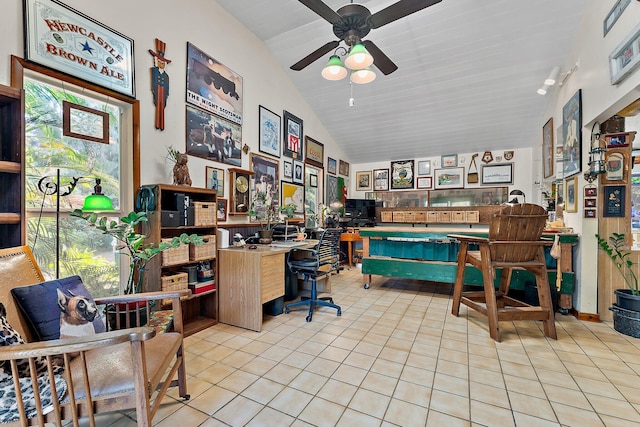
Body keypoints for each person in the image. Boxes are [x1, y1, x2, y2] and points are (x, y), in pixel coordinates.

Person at [149, 39, 171, 130]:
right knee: (158, 105)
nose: (161, 64)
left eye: (163, 63)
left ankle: (161, 124)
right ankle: (158, 124)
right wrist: (153, 90)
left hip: (163, 92)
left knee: (162, 106)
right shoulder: (154, 71)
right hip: (157, 89)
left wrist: (167, 94)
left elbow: (167, 85)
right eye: (160, 62)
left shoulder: (166, 75)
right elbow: (153, 81)